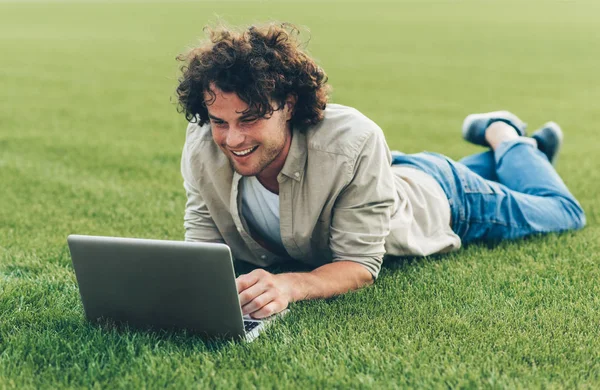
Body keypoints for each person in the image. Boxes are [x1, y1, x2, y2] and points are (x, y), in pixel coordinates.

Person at [176, 23, 586, 319]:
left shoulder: (353, 138)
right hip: (385, 178)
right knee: (505, 178)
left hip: (447, 198)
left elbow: (359, 265)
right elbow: (206, 247)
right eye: (219, 121)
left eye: (249, 119)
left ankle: (506, 136)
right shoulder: (202, 144)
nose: (232, 139)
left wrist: (290, 284)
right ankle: (521, 155)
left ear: (289, 105)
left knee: (563, 211)